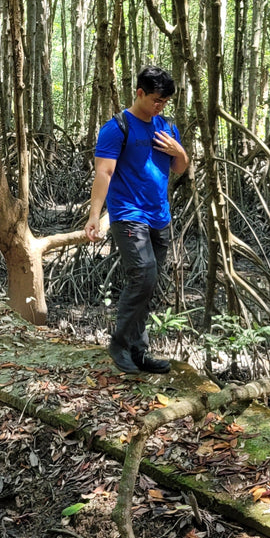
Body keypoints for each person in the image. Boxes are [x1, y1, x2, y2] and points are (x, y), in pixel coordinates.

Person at [83, 66, 190, 375]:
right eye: (157, 100)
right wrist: (94, 216)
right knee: (142, 274)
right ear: (140, 93)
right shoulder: (117, 127)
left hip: (159, 215)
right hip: (128, 214)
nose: (161, 106)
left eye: (166, 101)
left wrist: (179, 149)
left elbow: (180, 168)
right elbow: (104, 172)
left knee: (149, 282)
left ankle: (139, 350)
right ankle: (119, 342)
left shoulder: (166, 127)